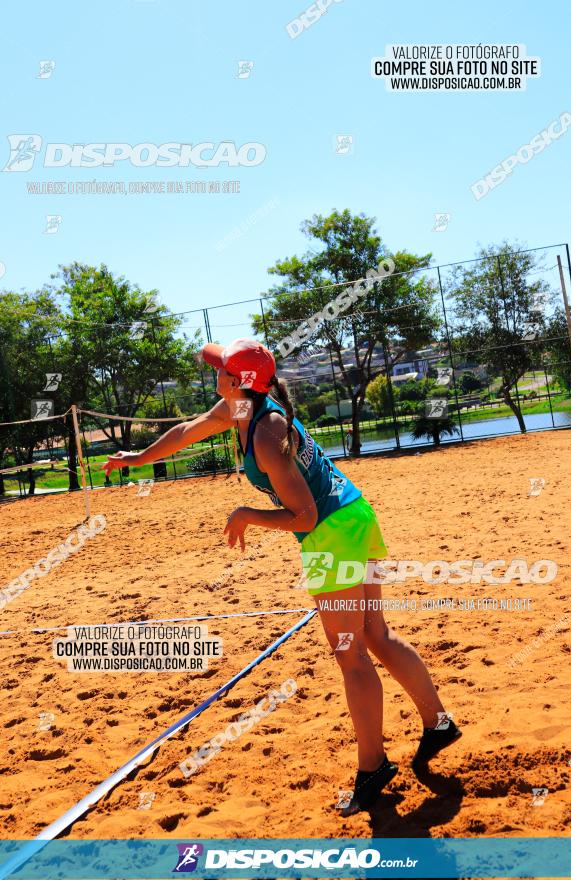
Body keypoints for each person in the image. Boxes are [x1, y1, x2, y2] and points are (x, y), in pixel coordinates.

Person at [103, 338, 461, 813]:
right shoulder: (242, 406)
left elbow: (306, 516)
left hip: (331, 532)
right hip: (354, 515)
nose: (214, 373)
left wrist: (248, 513)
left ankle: (373, 767)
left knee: (352, 656)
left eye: (221, 368)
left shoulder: (266, 434)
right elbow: (191, 428)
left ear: (237, 381)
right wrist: (137, 459)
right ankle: (438, 724)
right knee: (376, 635)